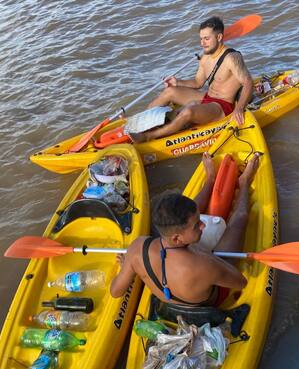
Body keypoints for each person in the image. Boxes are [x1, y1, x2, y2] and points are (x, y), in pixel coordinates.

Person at [110, 152, 260, 307]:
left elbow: (115, 292)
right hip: (206, 301)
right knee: (240, 218)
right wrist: (209, 256)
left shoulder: (137, 248)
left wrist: (127, 267)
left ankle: (210, 180)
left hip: (170, 293)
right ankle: (244, 182)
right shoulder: (204, 264)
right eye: (197, 225)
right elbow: (241, 282)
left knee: (184, 214)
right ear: (176, 238)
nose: (203, 225)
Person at [129, 16, 253, 143]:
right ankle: (141, 124)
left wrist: (239, 108)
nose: (202, 43)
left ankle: (148, 136)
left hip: (221, 107)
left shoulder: (232, 58)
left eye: (206, 39)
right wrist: (178, 82)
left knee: (188, 112)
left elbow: (248, 82)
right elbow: (198, 83)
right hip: (206, 97)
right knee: (170, 91)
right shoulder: (205, 58)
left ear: (219, 37)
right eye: (201, 39)